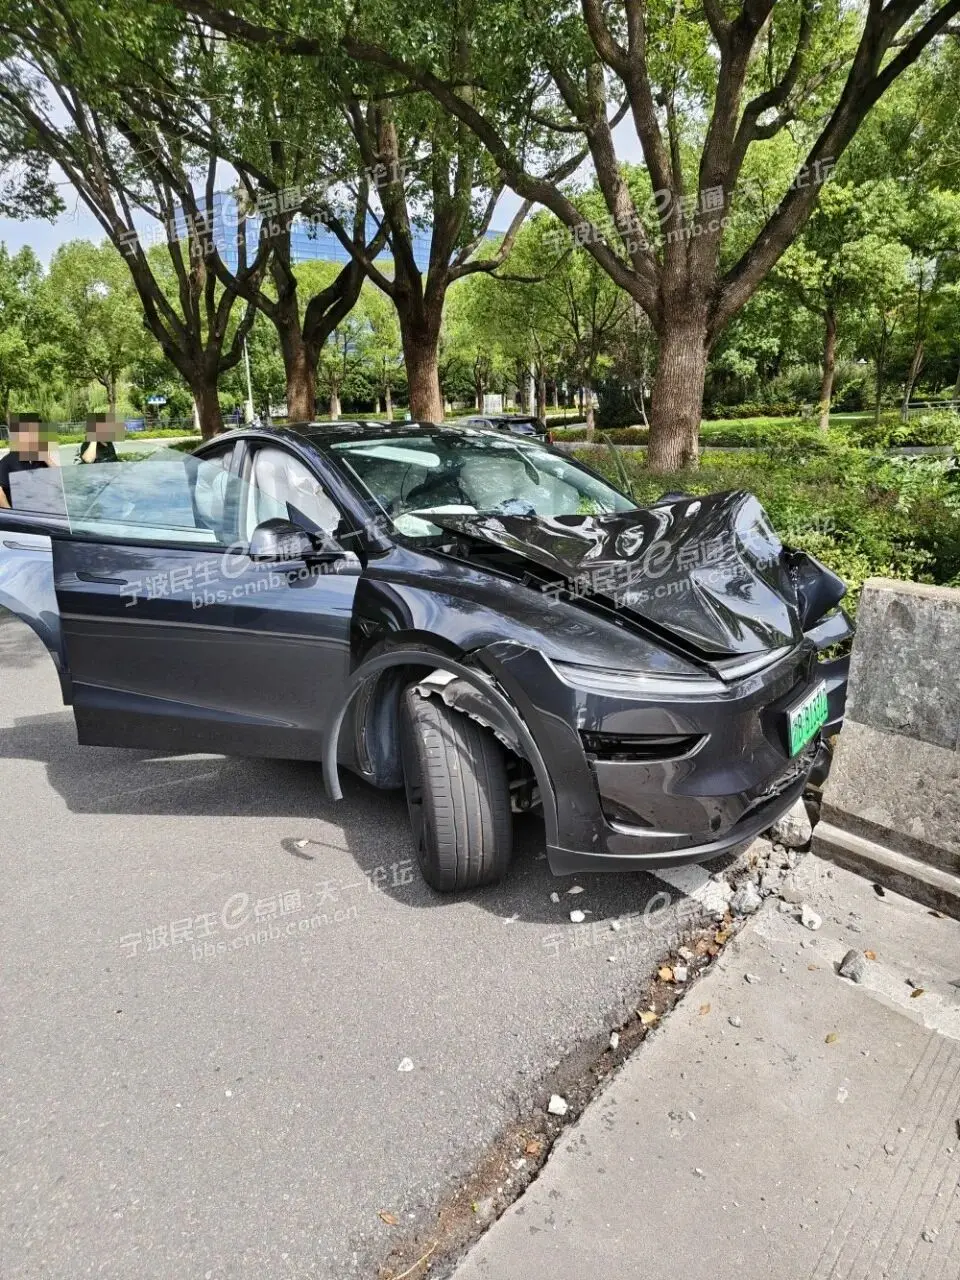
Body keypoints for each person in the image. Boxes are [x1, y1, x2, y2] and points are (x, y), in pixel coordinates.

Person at [0, 414, 60, 509]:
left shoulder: (41, 460)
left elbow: (60, 480)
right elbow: (0, 494)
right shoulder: (8, 461)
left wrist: (47, 459)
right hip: (24, 515)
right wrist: (14, 517)